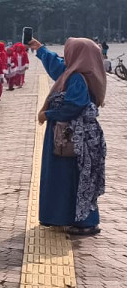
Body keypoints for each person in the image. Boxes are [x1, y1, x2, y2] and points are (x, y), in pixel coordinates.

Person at [30, 37, 106, 235]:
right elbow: (58, 68)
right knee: (74, 177)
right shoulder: (79, 73)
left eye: (69, 52)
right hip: (73, 136)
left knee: (73, 178)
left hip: (72, 137)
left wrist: (48, 114)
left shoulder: (76, 77)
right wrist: (40, 49)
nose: (65, 56)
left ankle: (84, 222)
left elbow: (75, 104)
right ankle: (67, 217)